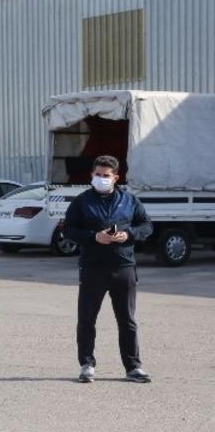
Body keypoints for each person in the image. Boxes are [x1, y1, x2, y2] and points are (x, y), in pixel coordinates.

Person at [62, 154, 152, 383]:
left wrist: (128, 234)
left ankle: (133, 367)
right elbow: (68, 230)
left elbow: (147, 226)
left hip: (123, 267)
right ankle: (86, 364)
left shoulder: (130, 201)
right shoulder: (82, 201)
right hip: (93, 268)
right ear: (92, 175)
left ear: (115, 177)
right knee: (87, 319)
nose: (101, 178)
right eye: (98, 175)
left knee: (127, 320)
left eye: (106, 175)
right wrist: (94, 237)